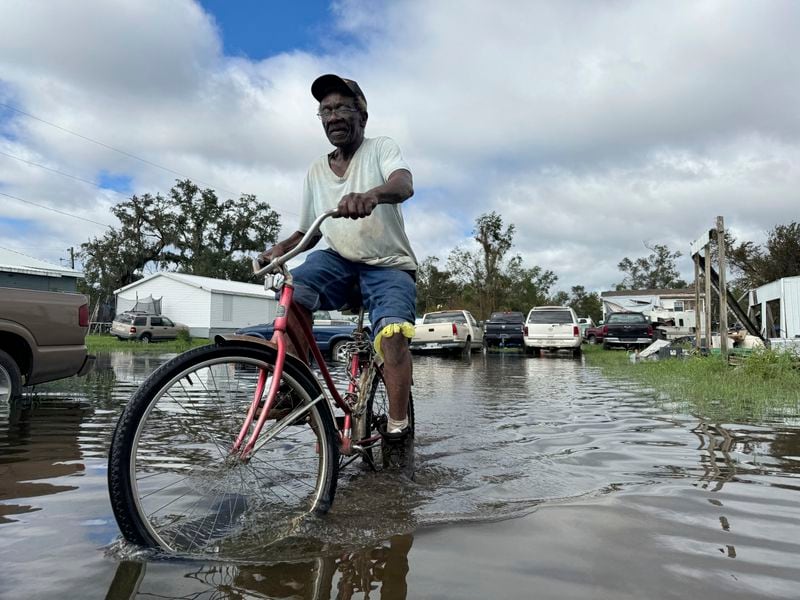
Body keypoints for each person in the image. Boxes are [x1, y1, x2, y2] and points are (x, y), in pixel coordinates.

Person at [259, 74, 417, 477]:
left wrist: (373, 195)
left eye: (342, 108)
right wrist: (279, 249)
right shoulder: (316, 170)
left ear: (361, 114)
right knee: (292, 291)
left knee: (394, 336)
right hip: (339, 261)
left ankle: (398, 427)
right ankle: (294, 390)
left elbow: (404, 183)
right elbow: (306, 231)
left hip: (388, 265)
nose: (333, 117)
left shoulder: (380, 147)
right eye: (326, 110)